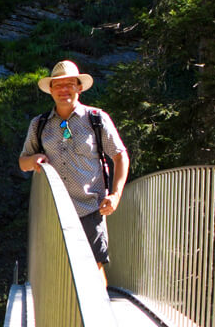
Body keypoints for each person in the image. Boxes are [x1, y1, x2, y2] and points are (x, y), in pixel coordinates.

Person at [17, 60, 130, 273]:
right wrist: (34, 160)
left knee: (94, 272)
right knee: (59, 275)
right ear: (50, 90)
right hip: (53, 214)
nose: (64, 90)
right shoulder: (39, 124)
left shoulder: (96, 119)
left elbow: (120, 156)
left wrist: (115, 195)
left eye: (69, 83)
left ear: (79, 87)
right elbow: (23, 163)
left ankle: (96, 307)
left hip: (89, 209)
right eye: (58, 85)